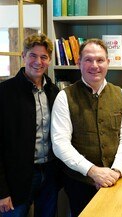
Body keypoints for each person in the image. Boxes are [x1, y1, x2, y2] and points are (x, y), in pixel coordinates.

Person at [51, 38, 122, 216]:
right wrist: (93, 172)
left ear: (108, 63)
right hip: (79, 184)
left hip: (116, 180)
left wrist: (115, 171)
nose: (94, 65)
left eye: (100, 60)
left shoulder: (120, 94)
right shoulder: (65, 97)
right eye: (88, 60)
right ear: (79, 63)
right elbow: (60, 144)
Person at [0, 33, 61, 216]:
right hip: (16, 179)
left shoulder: (54, 92)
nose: (38, 61)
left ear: (49, 60)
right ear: (23, 56)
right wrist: (2, 191)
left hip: (49, 174)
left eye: (43, 57)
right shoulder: (4, 92)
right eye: (33, 55)